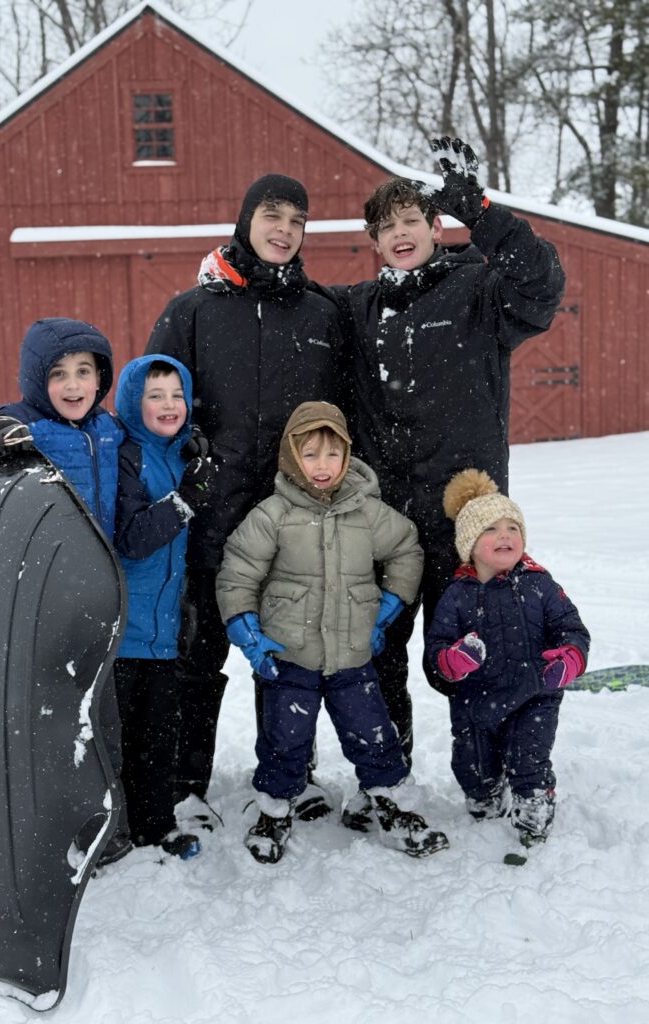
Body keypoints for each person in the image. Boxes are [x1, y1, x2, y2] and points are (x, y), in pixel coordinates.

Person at [320, 135, 566, 830]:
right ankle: (385, 781)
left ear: (435, 228)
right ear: (373, 241)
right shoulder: (357, 310)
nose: (399, 234)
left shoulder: (479, 290)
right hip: (385, 523)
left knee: (489, 657)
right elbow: (292, 321)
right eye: (385, 226)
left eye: (412, 221)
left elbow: (541, 281)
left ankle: (509, 778)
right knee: (376, 657)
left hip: (466, 520)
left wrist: (479, 210)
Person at [145, 173, 345, 826]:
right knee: (197, 662)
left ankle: (290, 777)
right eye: (272, 213)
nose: (284, 228)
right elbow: (153, 409)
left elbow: (344, 418)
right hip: (208, 522)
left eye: (297, 217)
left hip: (291, 526)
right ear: (245, 220)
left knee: (285, 661)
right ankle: (184, 786)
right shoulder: (193, 311)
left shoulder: (321, 315)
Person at [0, 316, 132, 866]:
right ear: (37, 381)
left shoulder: (108, 431)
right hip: (36, 604)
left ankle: (110, 825)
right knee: (50, 723)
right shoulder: (21, 424)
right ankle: (49, 825)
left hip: (97, 600)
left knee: (101, 718)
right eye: (58, 374)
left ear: (100, 377)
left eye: (84, 371)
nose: (73, 385)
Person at [216, 401, 449, 864]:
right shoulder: (273, 514)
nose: (322, 466)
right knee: (284, 742)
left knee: (374, 735)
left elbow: (407, 548)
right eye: (310, 455)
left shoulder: (367, 512)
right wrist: (245, 629)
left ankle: (392, 805)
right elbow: (237, 571)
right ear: (290, 458)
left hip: (353, 655)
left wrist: (387, 607)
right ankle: (274, 812)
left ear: (346, 456)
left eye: (332, 454)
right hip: (288, 655)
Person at [424, 468, 590, 851]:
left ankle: (534, 801)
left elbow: (572, 629)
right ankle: (484, 793)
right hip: (474, 700)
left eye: (512, 528)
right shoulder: (456, 595)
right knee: (472, 766)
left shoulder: (541, 584)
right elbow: (437, 649)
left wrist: (569, 658)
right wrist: (453, 661)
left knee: (528, 758)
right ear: (469, 544)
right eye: (491, 529)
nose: (505, 535)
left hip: (535, 693)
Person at [112, 353, 215, 859]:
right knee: (118, 740)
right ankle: (113, 832)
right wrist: (185, 497)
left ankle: (156, 826)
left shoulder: (184, 455)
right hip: (122, 629)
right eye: (155, 395)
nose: (169, 404)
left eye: (177, 394)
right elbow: (132, 539)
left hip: (165, 629)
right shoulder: (124, 457)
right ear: (134, 402)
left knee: (159, 737)